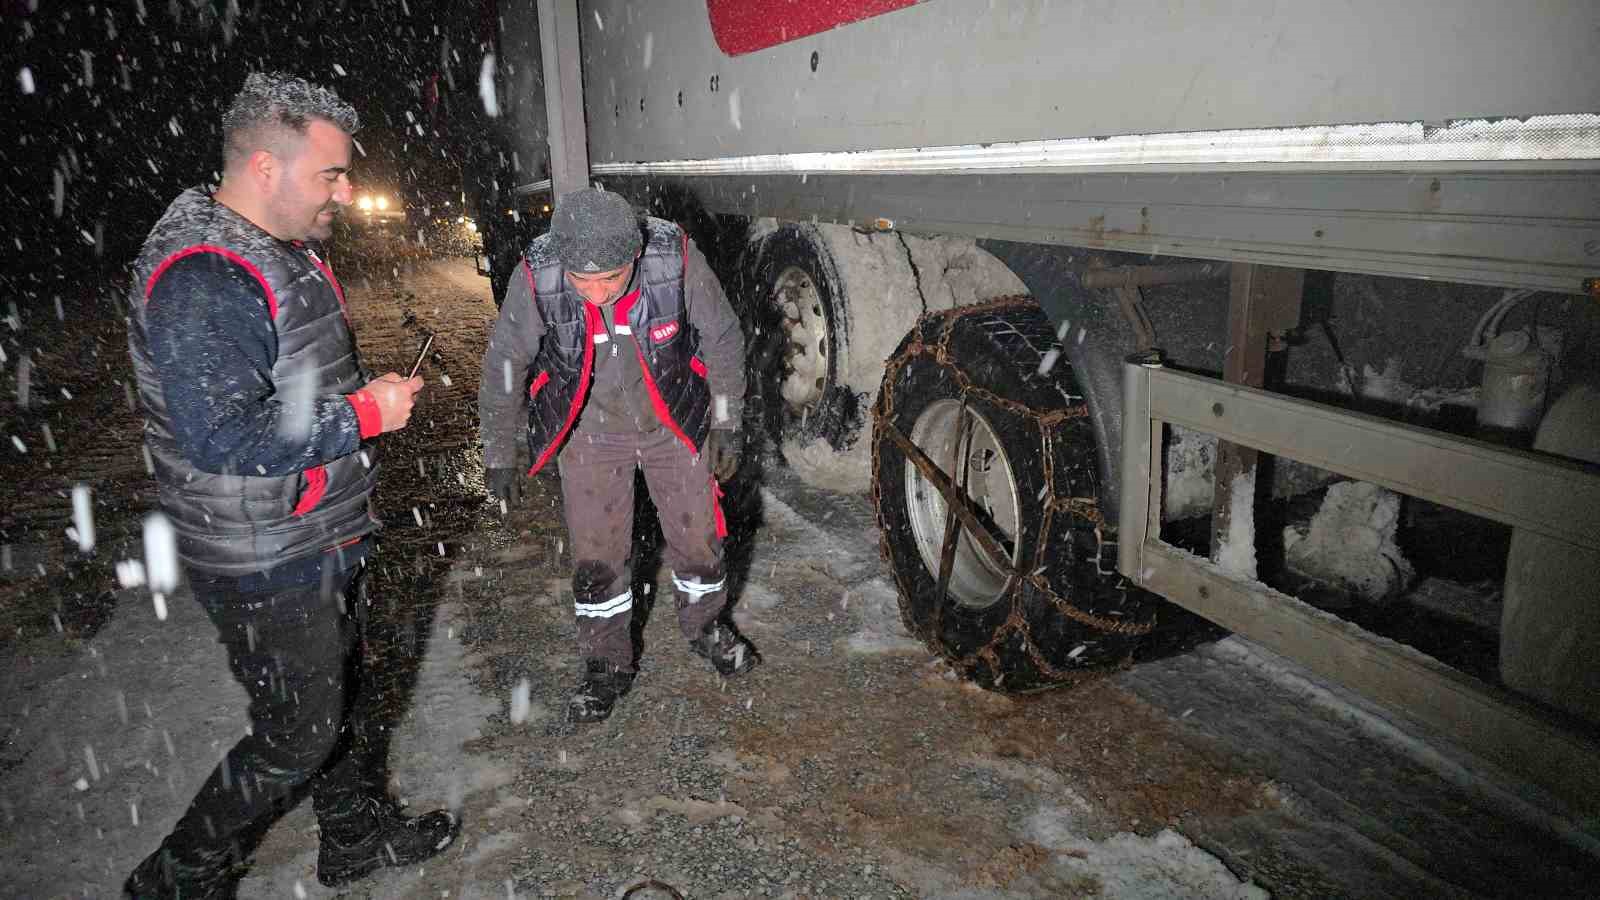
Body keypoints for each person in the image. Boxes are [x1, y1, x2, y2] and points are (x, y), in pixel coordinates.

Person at [122, 72, 456, 897]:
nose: (343, 193)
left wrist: (352, 403)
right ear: (265, 168)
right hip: (263, 550)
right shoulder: (205, 273)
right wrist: (364, 417)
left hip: (309, 527)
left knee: (338, 699)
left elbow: (286, 381)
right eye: (330, 175)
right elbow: (223, 435)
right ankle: (174, 881)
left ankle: (352, 839)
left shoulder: (273, 244)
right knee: (296, 735)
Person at [479, 187, 756, 724]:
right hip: (589, 430)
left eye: (612, 277)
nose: (599, 293)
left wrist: (726, 422)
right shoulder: (538, 274)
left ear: (634, 256)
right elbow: (506, 363)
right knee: (597, 554)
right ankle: (605, 661)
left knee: (698, 537)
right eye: (583, 280)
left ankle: (707, 626)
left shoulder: (672, 257)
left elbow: (722, 337)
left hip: (671, 419)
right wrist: (500, 449)